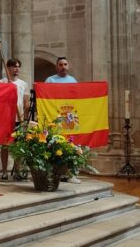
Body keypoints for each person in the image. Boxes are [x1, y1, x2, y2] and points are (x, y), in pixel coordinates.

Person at [44, 56, 81, 184]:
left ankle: (71, 174)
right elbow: (46, 97)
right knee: (55, 143)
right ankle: (55, 173)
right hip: (56, 116)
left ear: (68, 66)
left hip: (70, 115)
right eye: (60, 64)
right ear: (56, 67)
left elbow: (77, 98)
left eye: (65, 64)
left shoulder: (73, 80)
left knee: (72, 144)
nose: (63, 67)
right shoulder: (50, 80)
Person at [0, 58, 30, 181]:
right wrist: (6, 88)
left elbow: (26, 101)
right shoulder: (1, 82)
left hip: (19, 118)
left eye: (18, 66)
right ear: (9, 68)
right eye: (14, 67)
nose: (17, 69)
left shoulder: (23, 84)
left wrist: (25, 118)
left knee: (18, 145)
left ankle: (17, 170)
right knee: (5, 145)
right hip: (6, 118)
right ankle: (4, 171)